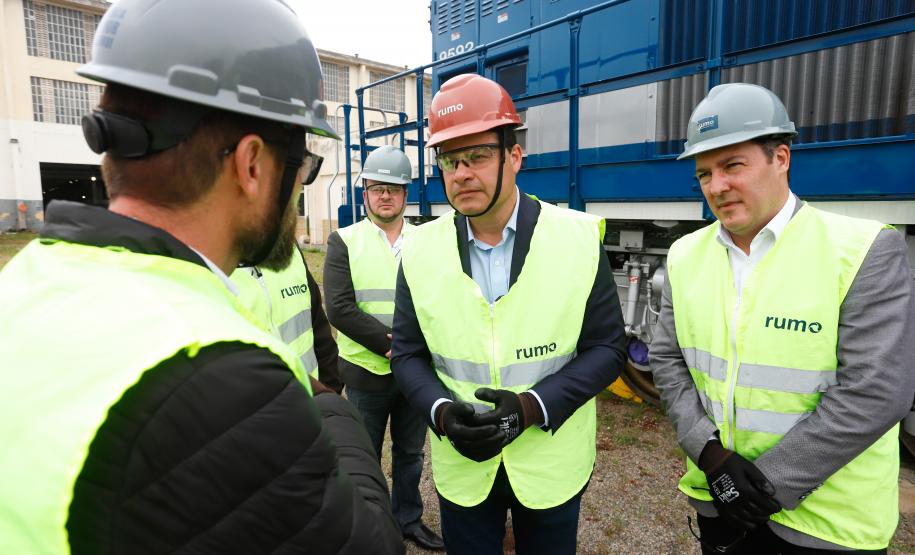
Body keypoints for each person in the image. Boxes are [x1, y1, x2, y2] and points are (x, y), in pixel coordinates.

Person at [0, 1, 404, 553]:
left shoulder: (26, 281)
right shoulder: (223, 380)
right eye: (303, 169)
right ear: (253, 165)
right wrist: (332, 411)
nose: (298, 191)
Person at [650, 82, 915, 554]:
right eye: (705, 173)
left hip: (825, 526)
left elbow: (877, 393)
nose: (717, 186)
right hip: (719, 501)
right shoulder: (683, 255)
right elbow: (668, 360)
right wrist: (711, 458)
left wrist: (766, 483)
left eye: (733, 166)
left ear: (781, 158)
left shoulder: (863, 249)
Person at [390, 74, 627, 555]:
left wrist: (529, 408)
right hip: (464, 464)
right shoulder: (418, 249)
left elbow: (607, 348)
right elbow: (407, 354)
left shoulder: (577, 239)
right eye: (449, 160)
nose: (461, 173)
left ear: (514, 156)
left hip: (549, 465)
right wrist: (440, 412)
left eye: (477, 155)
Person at [324, 145, 445, 551]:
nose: (385, 196)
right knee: (363, 457)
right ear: (365, 194)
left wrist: (413, 355)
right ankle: (367, 526)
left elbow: (439, 299)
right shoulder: (344, 240)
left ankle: (407, 520)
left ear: (405, 192)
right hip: (364, 374)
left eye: (393, 188)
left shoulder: (427, 240)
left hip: (414, 376)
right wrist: (396, 347)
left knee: (411, 454)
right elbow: (338, 308)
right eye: (377, 188)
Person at [232, 241, 344, 393]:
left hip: (311, 399)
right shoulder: (203, 265)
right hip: (254, 409)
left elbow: (318, 328)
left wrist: (329, 390)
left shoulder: (290, 247)